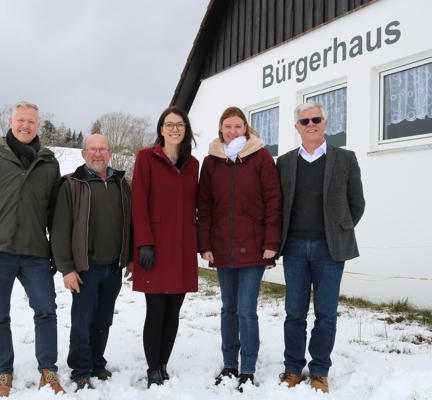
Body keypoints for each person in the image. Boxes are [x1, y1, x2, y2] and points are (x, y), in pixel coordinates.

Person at [0, 101, 65, 397]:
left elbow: (54, 213)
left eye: (31, 122)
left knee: (46, 310)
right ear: (11, 122)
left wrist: (57, 253)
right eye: (21, 120)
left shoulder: (48, 162)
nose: (25, 126)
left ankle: (48, 370)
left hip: (35, 252)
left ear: (38, 125)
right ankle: (4, 373)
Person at [277, 101, 365, 393]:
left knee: (326, 313)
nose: (311, 124)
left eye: (316, 119)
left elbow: (357, 203)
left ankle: (319, 370)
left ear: (326, 123)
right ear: (297, 127)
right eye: (305, 121)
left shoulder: (345, 159)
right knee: (294, 312)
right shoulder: (285, 162)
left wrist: (338, 231)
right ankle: (292, 368)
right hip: (294, 249)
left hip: (330, 250)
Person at [198, 106, 281, 391]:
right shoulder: (210, 162)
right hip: (221, 247)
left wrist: (271, 242)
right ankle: (229, 364)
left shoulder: (261, 157)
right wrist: (205, 244)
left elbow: (273, 201)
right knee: (227, 309)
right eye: (227, 126)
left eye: (237, 126)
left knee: (247, 310)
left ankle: (247, 367)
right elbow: (204, 206)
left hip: (255, 247)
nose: (232, 131)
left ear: (245, 128)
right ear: (220, 129)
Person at [51, 134, 133, 392]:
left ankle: (97, 362)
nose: (98, 154)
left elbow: (131, 223)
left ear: (110, 153)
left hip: (113, 267)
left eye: (103, 149)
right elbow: (60, 230)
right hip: (85, 268)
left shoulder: (122, 183)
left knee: (104, 319)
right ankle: (80, 369)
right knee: (83, 320)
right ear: (84, 153)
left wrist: (128, 257)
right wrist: (67, 268)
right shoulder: (72, 185)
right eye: (93, 149)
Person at [131, 105, 199, 388]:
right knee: (156, 308)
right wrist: (144, 242)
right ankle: (152, 367)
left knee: (174, 310)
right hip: (155, 248)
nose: (175, 129)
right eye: (169, 124)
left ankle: (163, 364)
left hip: (183, 247)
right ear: (161, 129)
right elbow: (139, 201)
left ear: (186, 130)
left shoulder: (193, 164)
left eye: (180, 125)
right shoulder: (146, 158)